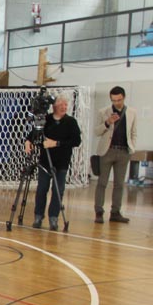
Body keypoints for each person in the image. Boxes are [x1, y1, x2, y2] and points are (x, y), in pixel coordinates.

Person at [23, 95, 81, 231]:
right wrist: (28, 141)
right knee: (42, 189)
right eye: (61, 105)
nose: (63, 107)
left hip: (62, 162)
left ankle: (53, 217)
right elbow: (34, 133)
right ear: (54, 107)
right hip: (45, 161)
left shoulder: (71, 122)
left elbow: (76, 141)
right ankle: (38, 216)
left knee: (58, 190)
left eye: (65, 105)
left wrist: (56, 143)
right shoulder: (46, 119)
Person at [94, 85, 137, 224]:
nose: (116, 103)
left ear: (124, 97)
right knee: (102, 183)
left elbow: (133, 132)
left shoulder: (132, 112)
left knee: (119, 184)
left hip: (124, 151)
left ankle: (115, 212)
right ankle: (99, 212)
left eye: (119, 100)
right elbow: (97, 131)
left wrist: (132, 148)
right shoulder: (103, 112)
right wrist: (108, 122)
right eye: (113, 100)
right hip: (107, 151)